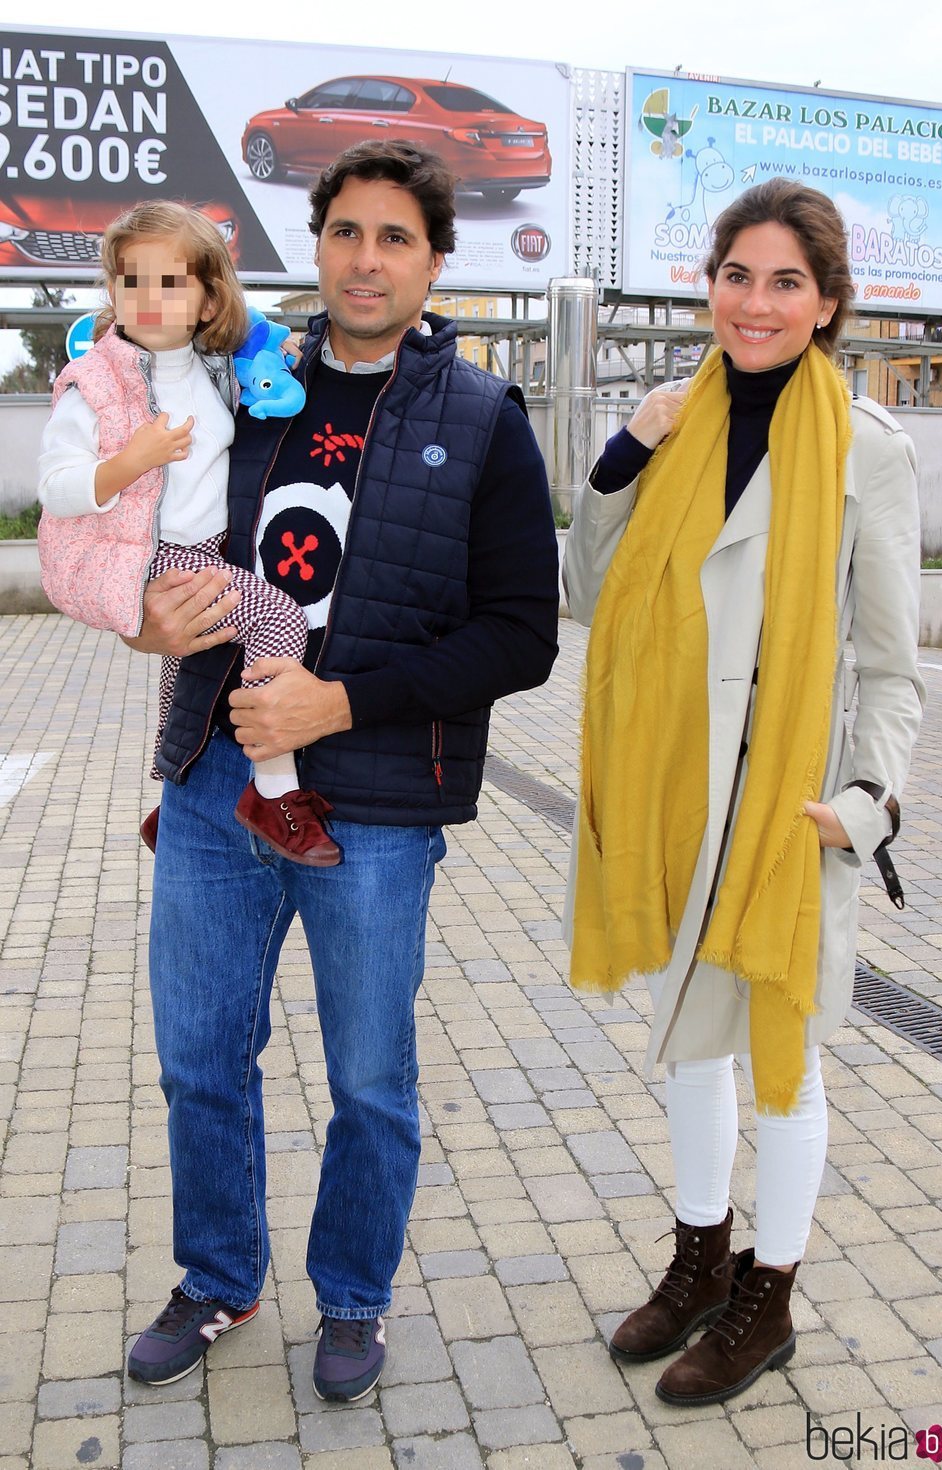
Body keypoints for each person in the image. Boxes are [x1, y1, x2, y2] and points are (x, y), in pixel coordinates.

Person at [119, 140, 559, 1399]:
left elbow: (521, 634)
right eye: (347, 233)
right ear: (314, 246)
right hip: (214, 785)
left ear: (432, 261)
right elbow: (152, 533)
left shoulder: (481, 422)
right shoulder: (234, 388)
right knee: (201, 1056)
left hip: (373, 807)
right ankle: (218, 1279)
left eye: (396, 239)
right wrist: (144, 614)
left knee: (370, 1077)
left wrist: (338, 701)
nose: (367, 260)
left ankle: (354, 1297)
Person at [564, 178, 923, 1407]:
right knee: (688, 1047)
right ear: (706, 284)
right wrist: (625, 449)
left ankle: (767, 1298)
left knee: (780, 1057)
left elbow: (890, 664)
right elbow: (587, 593)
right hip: (678, 789)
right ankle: (699, 1259)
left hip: (783, 808)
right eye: (734, 274)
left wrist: (862, 803)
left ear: (825, 305)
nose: (753, 302)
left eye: (783, 282)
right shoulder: (675, 426)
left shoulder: (867, 454)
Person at [37, 201, 340, 866]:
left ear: (207, 300)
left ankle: (172, 803)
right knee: (281, 623)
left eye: (171, 283)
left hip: (208, 550)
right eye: (132, 280)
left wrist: (278, 351)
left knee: (185, 674)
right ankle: (274, 789)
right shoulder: (95, 384)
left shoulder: (212, 368)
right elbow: (55, 488)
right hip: (157, 554)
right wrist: (129, 463)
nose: (149, 298)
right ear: (112, 290)